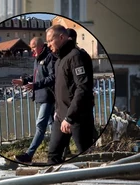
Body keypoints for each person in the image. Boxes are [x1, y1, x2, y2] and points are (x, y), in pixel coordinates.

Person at [45, 25, 95, 165]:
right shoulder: (59, 59)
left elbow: (82, 88)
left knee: (85, 156)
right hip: (61, 115)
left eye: (50, 41)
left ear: (61, 37)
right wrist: (57, 110)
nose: (48, 45)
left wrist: (70, 117)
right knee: (53, 154)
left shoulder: (75, 56)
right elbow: (62, 88)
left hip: (78, 117)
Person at [11, 37, 57, 164]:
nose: (31, 50)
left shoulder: (49, 57)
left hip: (48, 96)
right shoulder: (37, 59)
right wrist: (24, 81)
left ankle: (29, 155)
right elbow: (37, 76)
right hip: (41, 96)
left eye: (33, 47)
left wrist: (35, 85)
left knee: (40, 125)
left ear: (41, 46)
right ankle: (63, 149)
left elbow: (53, 77)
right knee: (53, 125)